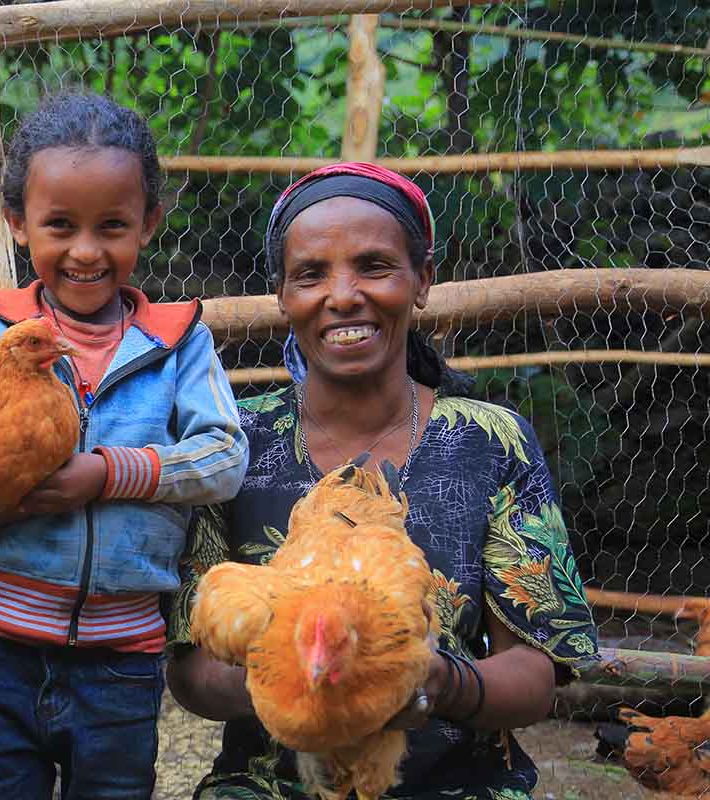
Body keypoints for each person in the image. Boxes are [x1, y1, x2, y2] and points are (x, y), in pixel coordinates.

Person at [166, 162, 600, 799]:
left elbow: (535, 672)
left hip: (455, 786)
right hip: (269, 786)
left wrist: (431, 682)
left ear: (422, 281)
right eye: (311, 273)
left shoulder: (490, 442)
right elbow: (192, 669)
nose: (343, 295)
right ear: (283, 296)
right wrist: (304, 687)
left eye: (373, 266)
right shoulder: (231, 445)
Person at [0, 93, 247, 799]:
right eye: (60, 225)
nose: (86, 251)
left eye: (112, 226)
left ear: (148, 224)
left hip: (121, 656)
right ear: (18, 224)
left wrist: (110, 474)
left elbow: (225, 457)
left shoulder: (177, 346)